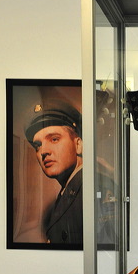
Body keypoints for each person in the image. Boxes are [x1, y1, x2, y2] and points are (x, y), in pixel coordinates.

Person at [24, 100, 83, 245]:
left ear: (78, 145)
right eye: (37, 146)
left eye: (54, 139)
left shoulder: (95, 191)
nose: (43, 151)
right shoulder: (68, 191)